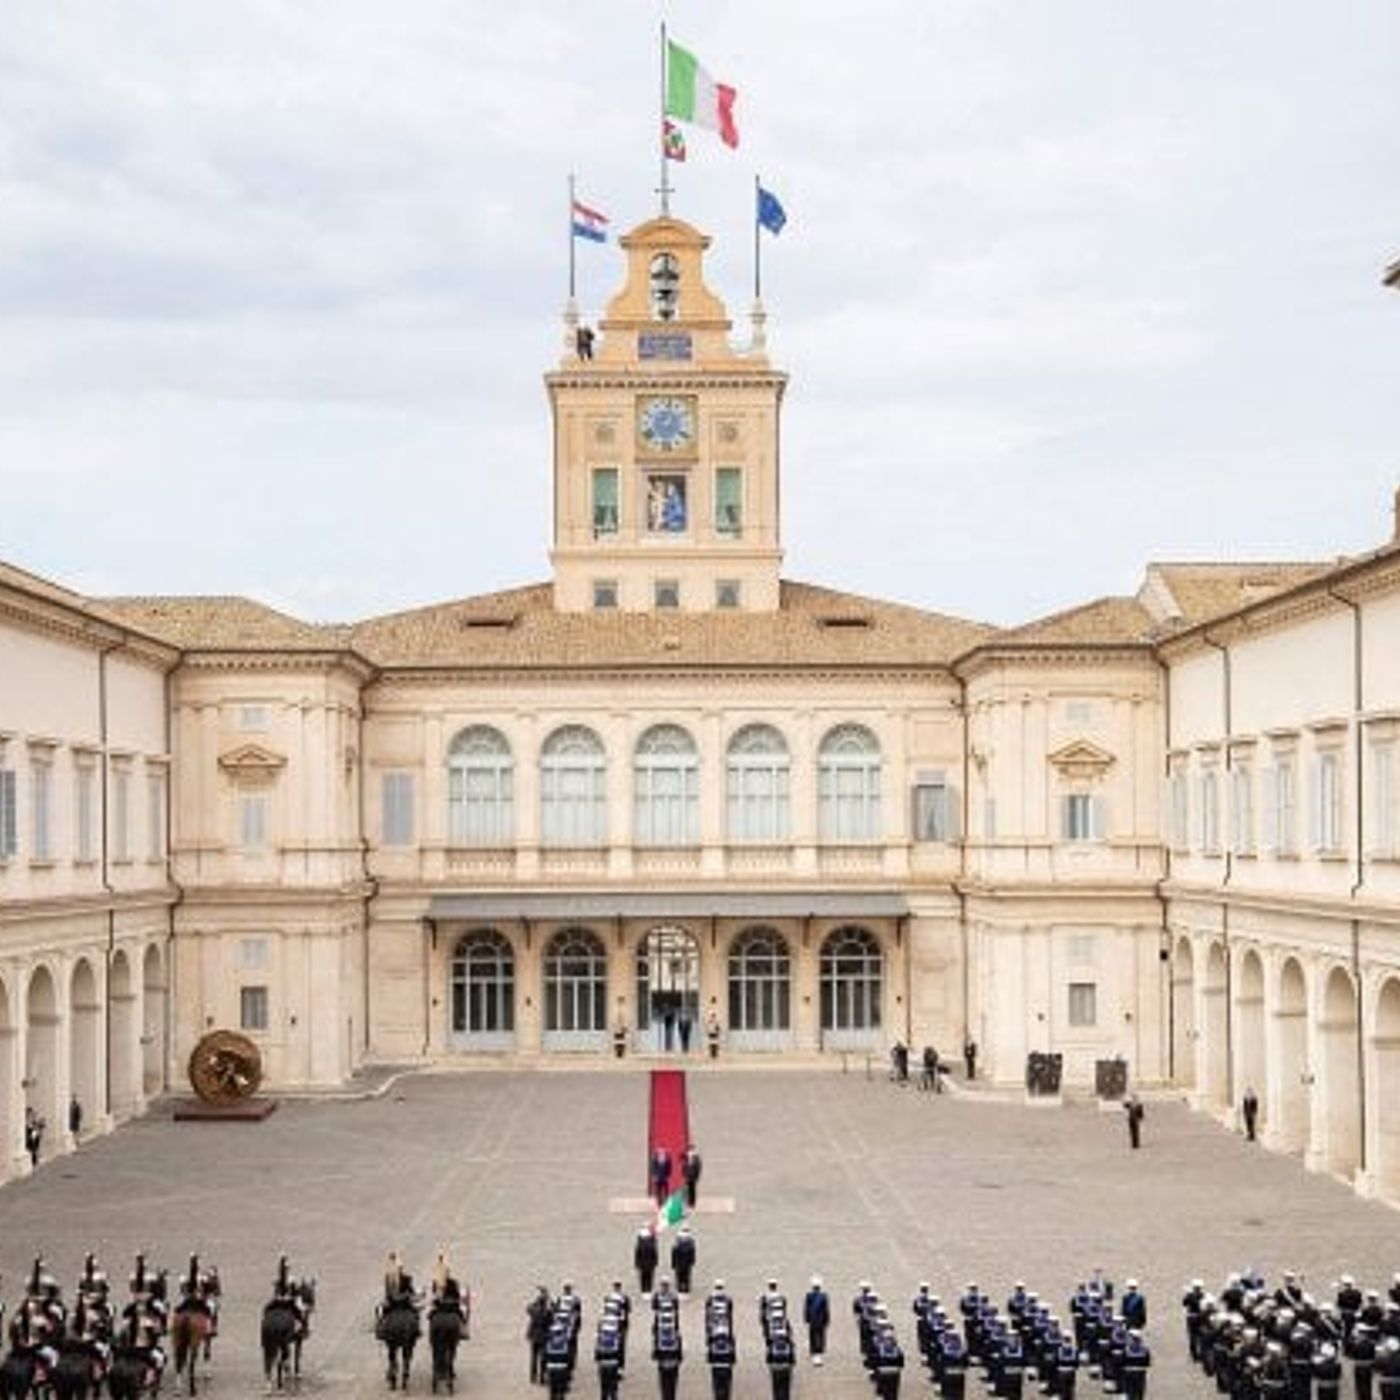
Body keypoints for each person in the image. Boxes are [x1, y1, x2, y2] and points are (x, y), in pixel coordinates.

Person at [527, 1286, 551, 1384]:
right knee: (543, 1359)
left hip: (533, 1336)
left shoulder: (534, 1310)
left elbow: (528, 1307)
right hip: (544, 1337)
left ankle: (533, 1377)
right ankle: (542, 1378)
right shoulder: (547, 1312)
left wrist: (538, 1299)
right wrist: (547, 1296)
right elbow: (553, 1313)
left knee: (534, 1357)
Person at [803, 1275, 830, 1366]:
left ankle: (814, 1353)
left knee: (812, 1336)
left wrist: (806, 1319)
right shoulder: (824, 1296)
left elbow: (806, 1308)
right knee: (821, 1336)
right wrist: (827, 1320)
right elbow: (826, 1309)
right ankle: (820, 1353)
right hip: (821, 1320)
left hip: (812, 1320)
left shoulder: (809, 1296)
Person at [634, 1227, 659, 1297]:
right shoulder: (652, 1243)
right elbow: (655, 1253)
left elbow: (637, 1254)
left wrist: (637, 1264)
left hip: (643, 1264)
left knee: (643, 1277)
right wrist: (655, 1262)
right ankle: (648, 1290)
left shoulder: (640, 1243)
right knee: (649, 1277)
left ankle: (644, 1290)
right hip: (650, 1263)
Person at [671, 1226, 696, 1295]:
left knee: (680, 1276)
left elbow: (674, 1253)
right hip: (686, 1262)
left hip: (679, 1262)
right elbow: (692, 1252)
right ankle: (685, 1290)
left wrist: (673, 1263)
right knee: (686, 1276)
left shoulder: (677, 1240)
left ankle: (681, 1290)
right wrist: (692, 1261)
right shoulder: (691, 1240)